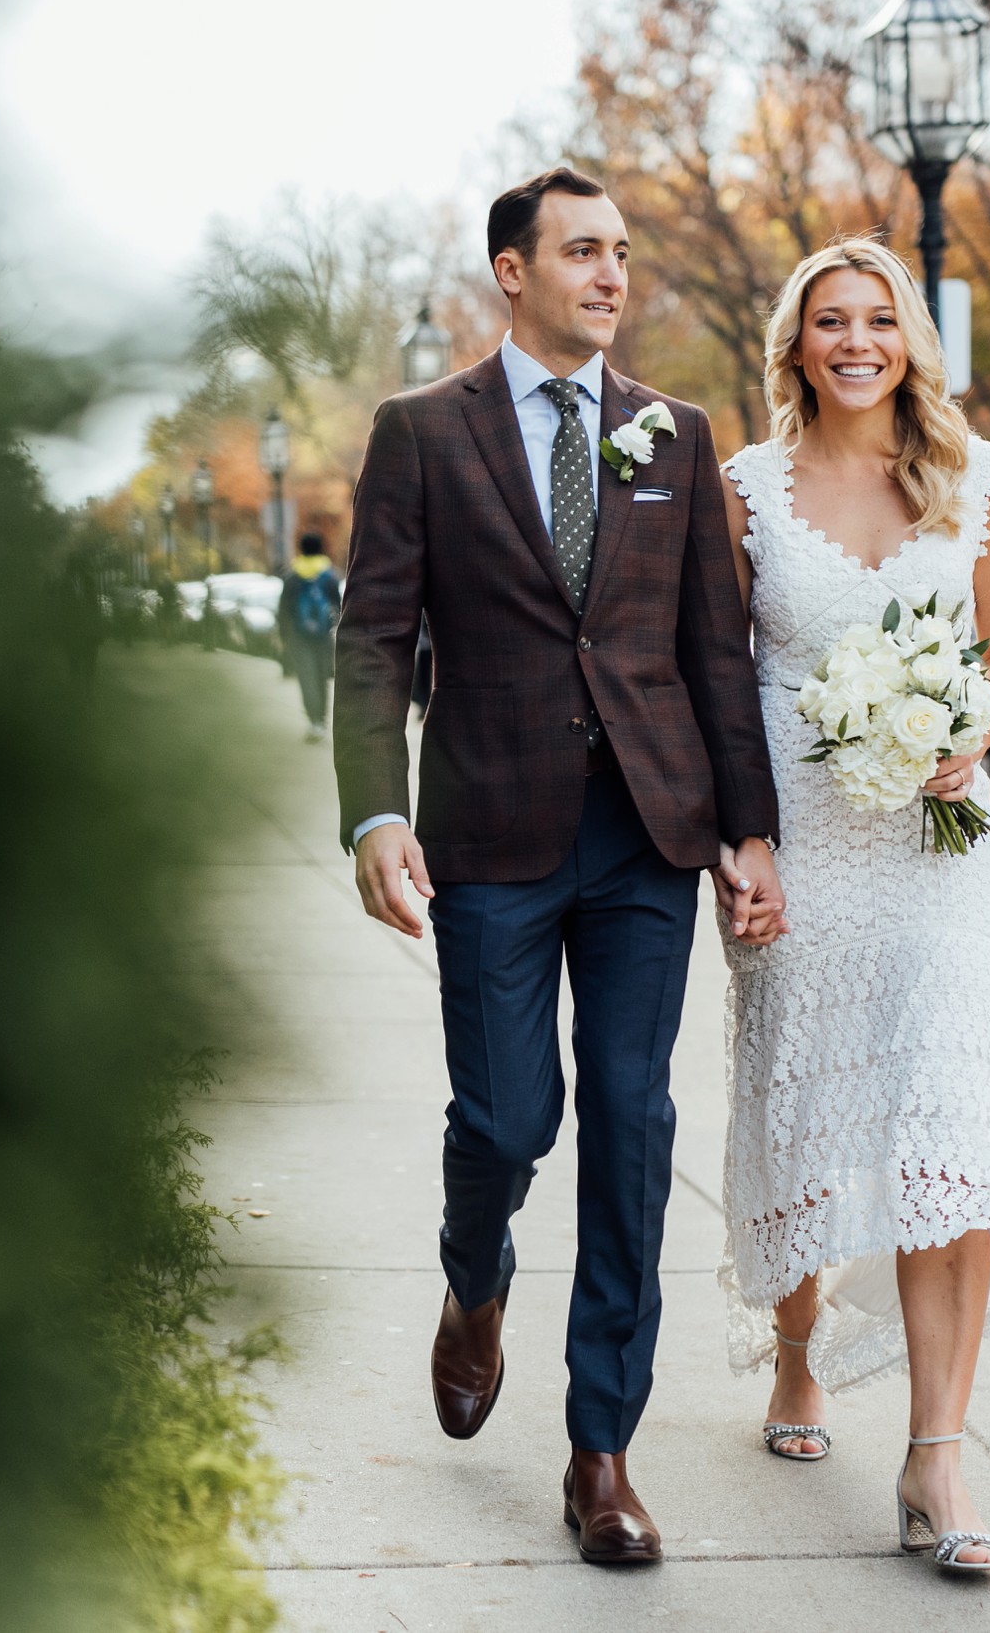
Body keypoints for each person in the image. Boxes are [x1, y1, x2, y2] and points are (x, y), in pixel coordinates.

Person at [332, 167, 785, 1566]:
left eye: (624, 254)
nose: (611, 273)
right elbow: (370, 643)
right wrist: (374, 812)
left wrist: (747, 827)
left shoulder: (675, 432)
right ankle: (477, 1281)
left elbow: (713, 649)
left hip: (649, 828)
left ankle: (603, 1447)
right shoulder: (422, 432)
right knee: (510, 1117)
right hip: (490, 831)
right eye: (583, 251)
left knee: (634, 1122)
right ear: (511, 272)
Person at [714, 237, 990, 1575]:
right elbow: (717, 670)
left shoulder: (977, 479)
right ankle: (799, 1357)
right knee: (807, 1108)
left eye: (878, 318)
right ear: (797, 344)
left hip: (937, 840)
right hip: (797, 840)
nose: (855, 340)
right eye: (830, 321)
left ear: (909, 338)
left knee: (951, 1118)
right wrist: (735, 839)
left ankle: (936, 1454)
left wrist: (965, 722)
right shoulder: (745, 487)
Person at [276, 533, 342, 738]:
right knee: (322, 677)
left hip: (299, 636)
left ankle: (313, 720)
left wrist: (284, 637)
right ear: (321, 548)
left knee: (306, 678)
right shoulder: (330, 575)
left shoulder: (292, 576)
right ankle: (322, 719)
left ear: (301, 549)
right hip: (323, 636)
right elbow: (338, 606)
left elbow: (283, 610)